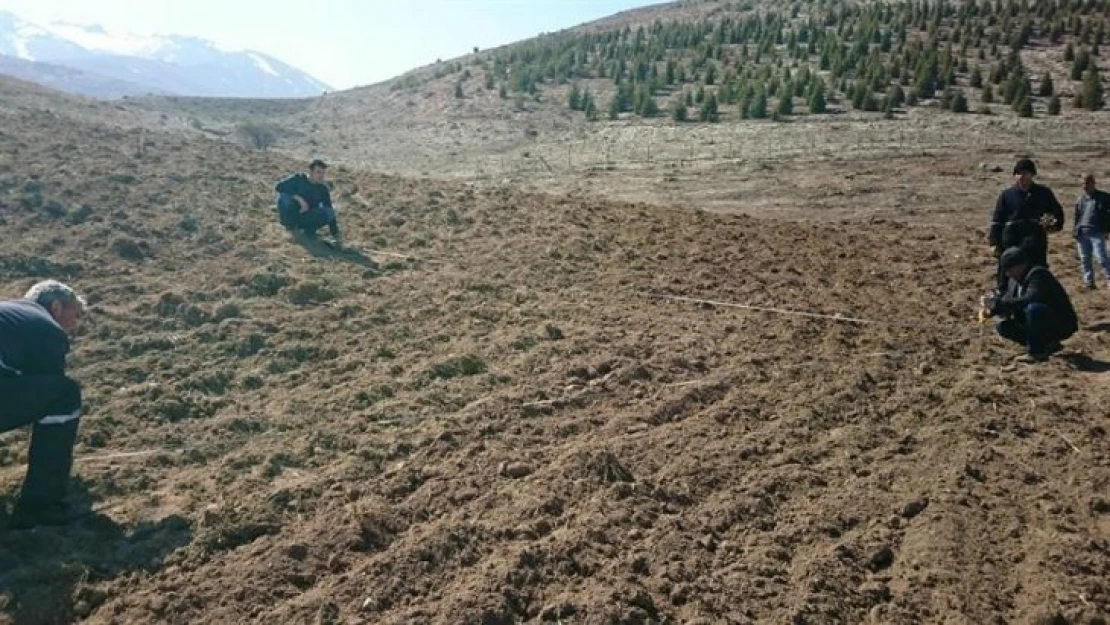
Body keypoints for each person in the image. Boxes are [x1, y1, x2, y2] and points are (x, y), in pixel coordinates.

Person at [0, 280, 86, 529]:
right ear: (56, 307)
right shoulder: (46, 328)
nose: (75, 326)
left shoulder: (10, 315)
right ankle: (41, 506)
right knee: (64, 395)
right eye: (75, 314)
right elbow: (45, 394)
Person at [987, 247, 1078, 362]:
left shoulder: (1038, 274)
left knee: (1034, 309)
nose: (1008, 274)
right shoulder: (1014, 281)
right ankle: (1047, 344)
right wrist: (994, 308)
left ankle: (1036, 352)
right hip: (1037, 323)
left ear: (1021, 265)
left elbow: (1031, 298)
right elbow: (1009, 302)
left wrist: (1003, 303)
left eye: (1010, 269)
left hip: (1060, 323)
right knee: (1003, 327)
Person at [988, 158, 1065, 291]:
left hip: (1035, 240)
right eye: (1018, 173)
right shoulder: (1007, 195)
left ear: (1032, 174)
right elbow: (997, 220)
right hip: (1011, 240)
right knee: (1007, 271)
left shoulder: (1043, 193)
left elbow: (1057, 214)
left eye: (1025, 173)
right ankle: (1005, 299)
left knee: (1036, 271)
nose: (1022, 177)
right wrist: (994, 242)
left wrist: (1053, 225)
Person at [275, 159, 343, 248]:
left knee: (329, 212)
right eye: (318, 172)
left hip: (306, 217)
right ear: (310, 172)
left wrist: (336, 235)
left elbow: (329, 211)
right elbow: (279, 187)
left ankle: (307, 231)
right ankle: (291, 229)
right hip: (291, 215)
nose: (321, 176)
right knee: (285, 197)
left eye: (323, 173)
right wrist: (299, 199)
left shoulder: (322, 189)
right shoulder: (299, 179)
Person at [1073, 174, 1110, 290]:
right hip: (1082, 233)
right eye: (1083, 184)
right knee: (1085, 259)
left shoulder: (1104, 198)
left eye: (1087, 183)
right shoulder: (1080, 200)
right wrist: (1075, 231)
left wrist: (1107, 229)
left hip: (1097, 232)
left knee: (1101, 258)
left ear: (1093, 183)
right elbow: (1077, 216)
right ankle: (1089, 283)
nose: (1085, 186)